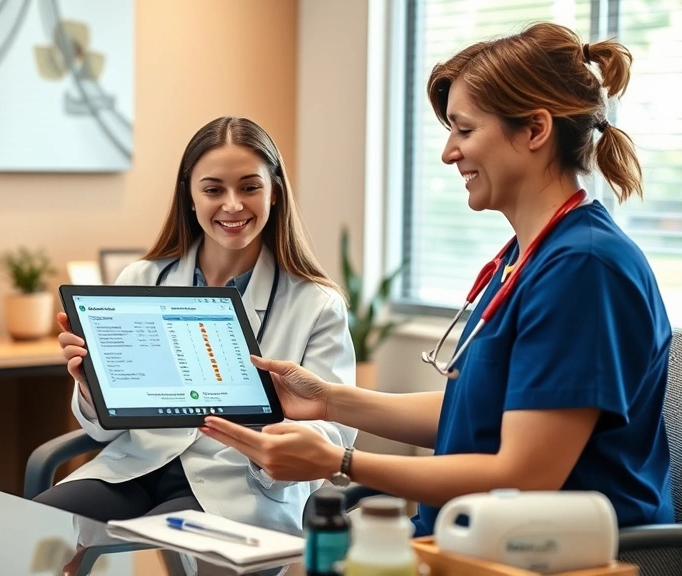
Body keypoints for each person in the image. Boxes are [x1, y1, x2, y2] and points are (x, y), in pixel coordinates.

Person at [200, 23, 675, 537]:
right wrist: (329, 399)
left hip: (557, 556)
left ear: (536, 130)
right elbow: (471, 409)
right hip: (478, 538)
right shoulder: (526, 257)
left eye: (465, 130)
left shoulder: (584, 269)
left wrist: (341, 463)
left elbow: (526, 473)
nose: (449, 153)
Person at [33, 116, 358, 535]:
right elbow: (102, 423)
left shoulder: (316, 304)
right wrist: (88, 386)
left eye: (249, 186)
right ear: (189, 195)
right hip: (135, 468)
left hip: (240, 486)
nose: (233, 205)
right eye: (213, 189)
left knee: (141, 551)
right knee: (38, 533)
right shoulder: (141, 279)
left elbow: (334, 432)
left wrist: (275, 441)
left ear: (274, 192)